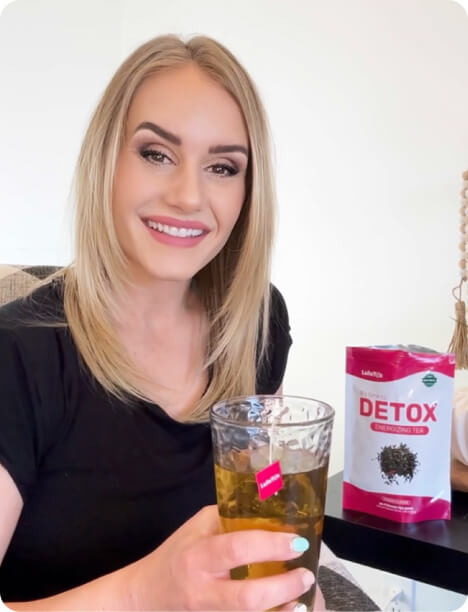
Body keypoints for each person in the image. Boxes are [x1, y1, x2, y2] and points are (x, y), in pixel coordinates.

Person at [0, 34, 325, 611]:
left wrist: (291, 584)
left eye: (222, 167)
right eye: (156, 154)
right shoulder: (17, 357)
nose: (188, 196)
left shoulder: (256, 323)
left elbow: (263, 478)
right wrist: (144, 593)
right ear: (106, 161)